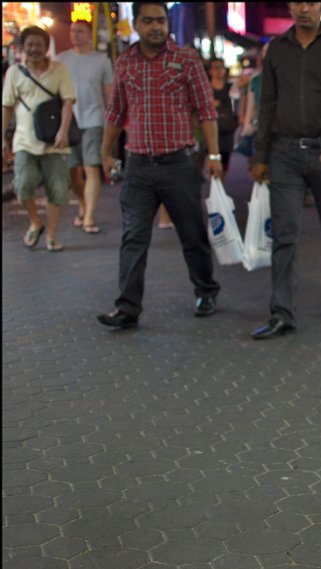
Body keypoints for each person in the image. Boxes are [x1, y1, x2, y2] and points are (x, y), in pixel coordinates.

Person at [96, 1, 222, 330]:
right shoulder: (124, 63)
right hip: (137, 166)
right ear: (136, 24)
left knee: (192, 235)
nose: (156, 27)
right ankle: (127, 308)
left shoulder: (186, 60)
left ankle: (206, 290)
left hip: (178, 165)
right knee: (133, 237)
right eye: (149, 21)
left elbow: (206, 109)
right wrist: (105, 153)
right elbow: (115, 112)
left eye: (161, 21)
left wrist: (215, 154)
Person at [250, 1, 321, 339]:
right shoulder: (277, 50)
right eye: (297, 3)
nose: (304, 9)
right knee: (284, 234)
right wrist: (261, 155)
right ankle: (282, 312)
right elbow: (266, 104)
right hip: (284, 153)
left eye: (310, 3)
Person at [1, 25, 76, 252]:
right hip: (24, 142)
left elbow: (68, 102)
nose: (34, 49)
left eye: (39, 45)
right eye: (30, 45)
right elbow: (7, 106)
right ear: (23, 47)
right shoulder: (14, 72)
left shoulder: (60, 69)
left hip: (55, 143)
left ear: (46, 48)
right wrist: (3, 138)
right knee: (22, 185)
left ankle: (51, 235)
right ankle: (35, 221)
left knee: (58, 189)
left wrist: (63, 131)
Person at [56, 19, 113, 235]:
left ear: (89, 34)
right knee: (71, 171)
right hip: (68, 122)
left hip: (93, 120)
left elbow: (109, 94)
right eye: (72, 31)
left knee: (91, 168)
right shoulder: (61, 60)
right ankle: (83, 204)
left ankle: (89, 217)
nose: (75, 35)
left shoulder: (101, 61)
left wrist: (111, 125)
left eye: (80, 31)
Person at [208, 57, 238, 180]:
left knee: (225, 160)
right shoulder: (206, 89)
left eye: (221, 67)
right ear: (210, 71)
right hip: (211, 130)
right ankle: (214, 184)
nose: (219, 71)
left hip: (227, 128)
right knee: (213, 157)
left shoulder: (231, 87)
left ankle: (220, 185)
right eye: (215, 67)